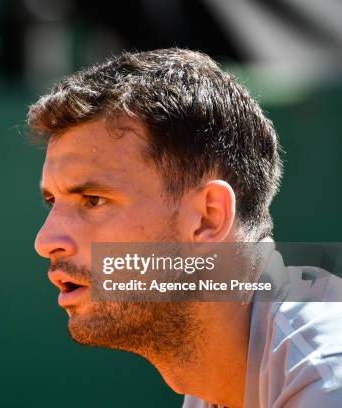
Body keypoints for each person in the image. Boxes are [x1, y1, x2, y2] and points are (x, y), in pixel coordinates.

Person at [28, 48, 342, 407]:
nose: (46, 241)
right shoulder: (214, 387)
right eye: (53, 201)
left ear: (208, 218)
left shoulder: (327, 373)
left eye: (93, 199)